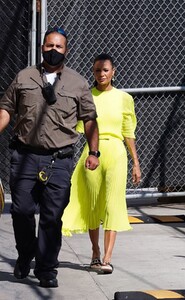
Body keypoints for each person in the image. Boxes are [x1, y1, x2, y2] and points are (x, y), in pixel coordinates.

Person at [0, 27, 100, 288]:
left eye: (59, 47)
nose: (53, 50)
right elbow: (6, 109)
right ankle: (25, 254)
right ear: (42, 47)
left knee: (51, 217)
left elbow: (89, 120)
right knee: (21, 211)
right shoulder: (24, 77)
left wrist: (94, 152)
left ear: (66, 50)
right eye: (49, 46)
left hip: (60, 159)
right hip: (25, 156)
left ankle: (46, 268)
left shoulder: (77, 83)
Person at [62, 53, 141, 274]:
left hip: (116, 153)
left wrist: (136, 162)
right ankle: (95, 253)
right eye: (97, 70)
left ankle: (107, 258)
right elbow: (77, 128)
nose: (101, 74)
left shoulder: (124, 98)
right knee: (94, 203)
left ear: (113, 72)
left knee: (113, 204)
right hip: (92, 153)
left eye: (105, 70)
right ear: (93, 72)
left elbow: (128, 132)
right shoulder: (86, 96)